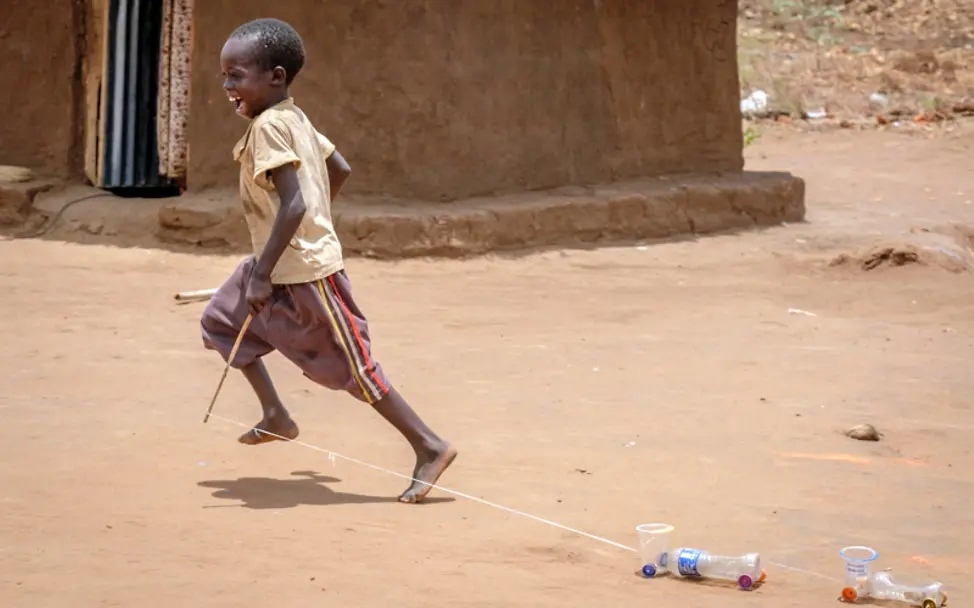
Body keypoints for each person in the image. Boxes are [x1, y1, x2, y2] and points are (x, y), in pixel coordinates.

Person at [200, 18, 456, 504]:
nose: (228, 86)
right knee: (222, 323)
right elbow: (339, 168)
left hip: (302, 274)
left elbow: (295, 205)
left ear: (275, 76)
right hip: (276, 261)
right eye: (225, 76)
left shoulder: (272, 127)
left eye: (237, 75)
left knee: (354, 368)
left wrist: (275, 261)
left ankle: (429, 444)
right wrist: (303, 230)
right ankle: (276, 415)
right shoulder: (292, 117)